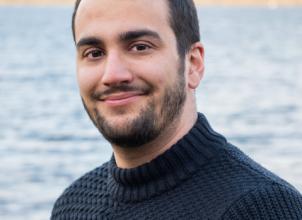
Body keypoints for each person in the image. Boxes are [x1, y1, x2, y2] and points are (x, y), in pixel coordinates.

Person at [51, 0, 302, 219]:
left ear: (193, 64)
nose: (113, 75)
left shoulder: (261, 208)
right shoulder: (72, 205)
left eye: (140, 47)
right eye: (94, 53)